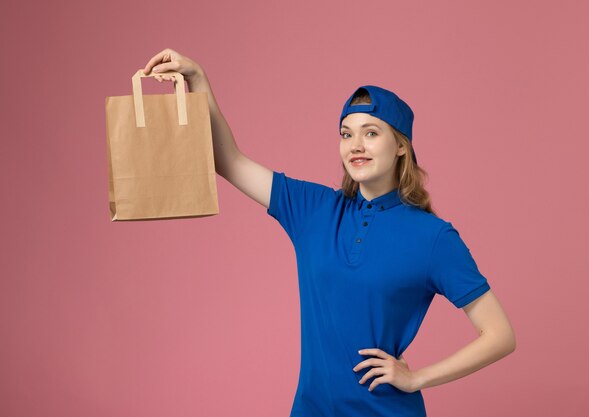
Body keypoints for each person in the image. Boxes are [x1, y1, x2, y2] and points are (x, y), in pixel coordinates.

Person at [142, 48, 516, 417]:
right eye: (346, 134)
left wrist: (417, 377)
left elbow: (500, 335)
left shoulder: (433, 237)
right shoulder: (314, 209)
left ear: (401, 146)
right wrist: (199, 80)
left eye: (371, 133)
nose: (355, 146)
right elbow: (229, 160)